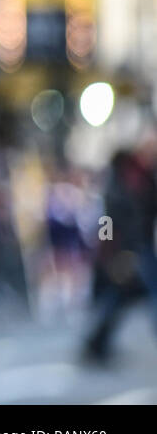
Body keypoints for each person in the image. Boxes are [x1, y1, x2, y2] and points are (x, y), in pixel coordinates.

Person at [81, 126, 157, 362]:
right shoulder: (122, 177)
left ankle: (96, 342)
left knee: (122, 296)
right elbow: (109, 216)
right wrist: (111, 251)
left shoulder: (146, 177)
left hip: (141, 244)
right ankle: (96, 342)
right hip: (127, 247)